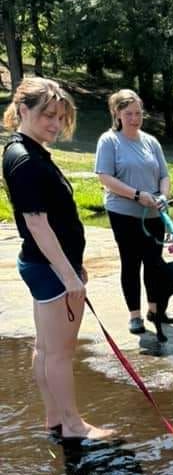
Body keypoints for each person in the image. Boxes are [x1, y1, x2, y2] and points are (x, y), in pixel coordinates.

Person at [2, 77, 115, 440]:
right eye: (47, 115)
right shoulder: (25, 159)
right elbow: (36, 223)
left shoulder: (24, 150)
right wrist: (69, 276)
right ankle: (73, 425)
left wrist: (70, 267)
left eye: (61, 118)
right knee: (60, 354)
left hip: (44, 265)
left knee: (46, 348)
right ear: (23, 110)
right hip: (49, 269)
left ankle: (53, 419)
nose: (55, 124)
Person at [94, 89, 171, 334]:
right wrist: (137, 195)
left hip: (154, 214)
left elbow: (164, 175)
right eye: (129, 114)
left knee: (154, 263)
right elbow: (104, 177)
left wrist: (163, 197)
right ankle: (134, 315)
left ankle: (155, 309)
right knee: (131, 263)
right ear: (117, 114)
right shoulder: (109, 141)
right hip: (124, 213)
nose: (135, 118)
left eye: (138, 113)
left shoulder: (151, 141)